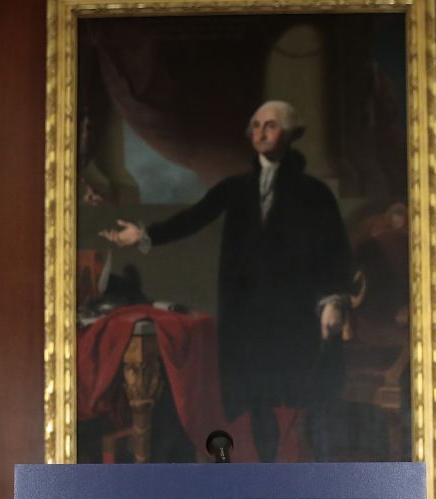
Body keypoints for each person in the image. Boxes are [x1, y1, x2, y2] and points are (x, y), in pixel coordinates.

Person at [103, 100, 353, 463]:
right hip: (247, 316)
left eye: (271, 126)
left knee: (301, 396)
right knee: (256, 399)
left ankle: (307, 482)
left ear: (291, 134)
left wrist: (332, 301)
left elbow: (335, 249)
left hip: (293, 314)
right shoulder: (237, 187)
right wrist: (143, 235)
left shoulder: (314, 192)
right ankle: (266, 473)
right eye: (256, 125)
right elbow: (193, 218)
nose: (261, 132)